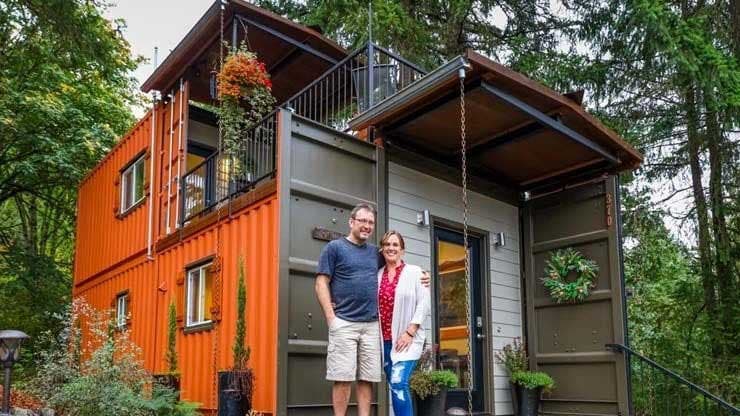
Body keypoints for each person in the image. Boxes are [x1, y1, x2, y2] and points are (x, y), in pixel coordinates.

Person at [315, 203, 429, 416]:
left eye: (370, 222)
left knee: (367, 378)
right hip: (344, 322)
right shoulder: (335, 248)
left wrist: (424, 275)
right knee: (343, 377)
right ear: (351, 222)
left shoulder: (375, 254)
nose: (367, 226)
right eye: (363, 221)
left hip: (371, 326)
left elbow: (397, 264)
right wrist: (331, 318)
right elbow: (321, 282)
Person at [377, 230, 429, 416]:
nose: (391, 248)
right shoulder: (377, 275)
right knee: (394, 385)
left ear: (402, 250)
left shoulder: (415, 272)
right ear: (382, 249)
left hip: (407, 339)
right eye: (387, 244)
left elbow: (424, 303)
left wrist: (410, 331)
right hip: (384, 341)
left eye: (395, 245)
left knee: (399, 382)